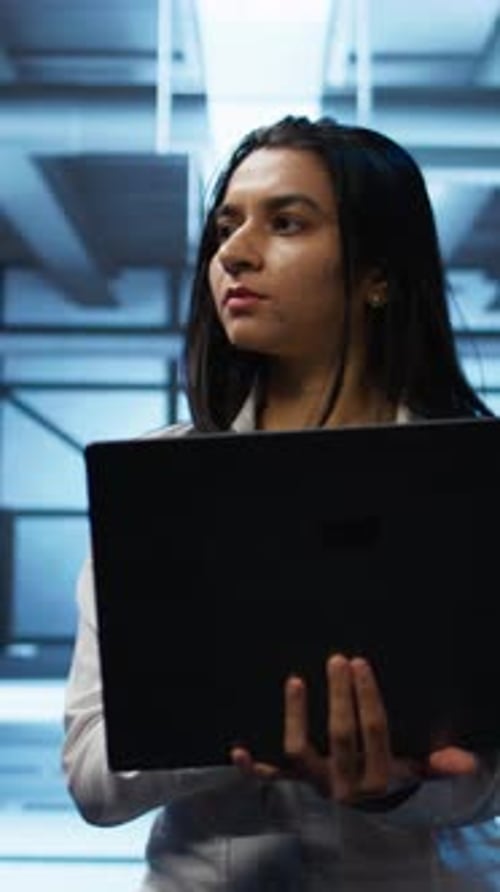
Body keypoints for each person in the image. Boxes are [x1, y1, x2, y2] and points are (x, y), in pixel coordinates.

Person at [62, 115, 500, 891]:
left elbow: (486, 777)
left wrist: (398, 784)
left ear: (379, 274)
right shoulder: (154, 489)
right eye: (227, 225)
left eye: (288, 222)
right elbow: (93, 780)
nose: (234, 251)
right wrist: (233, 712)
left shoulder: (475, 483)